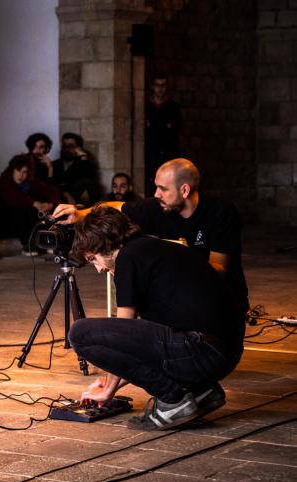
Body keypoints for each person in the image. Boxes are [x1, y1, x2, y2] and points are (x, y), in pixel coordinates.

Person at [67, 206, 243, 430]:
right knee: (144, 332)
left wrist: (108, 391)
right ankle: (200, 391)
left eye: (94, 259)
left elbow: (124, 331)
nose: (99, 269)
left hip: (203, 350)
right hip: (222, 353)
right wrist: (112, 381)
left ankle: (173, 399)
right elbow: (142, 346)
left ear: (106, 245)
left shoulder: (128, 258)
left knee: (81, 333)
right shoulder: (154, 247)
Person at [53, 158, 248, 316]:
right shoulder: (157, 208)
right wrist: (80, 214)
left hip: (219, 299)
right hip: (178, 296)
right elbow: (114, 207)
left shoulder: (220, 212)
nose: (156, 194)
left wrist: (161, 265)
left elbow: (218, 269)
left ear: (185, 190)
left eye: (163, 189)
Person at [0, 153, 60, 256]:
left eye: (24, 172)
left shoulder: (29, 182)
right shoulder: (4, 182)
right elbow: (14, 198)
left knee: (48, 212)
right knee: (22, 210)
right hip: (5, 221)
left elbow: (52, 192)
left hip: (26, 220)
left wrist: (50, 204)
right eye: (18, 171)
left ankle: (50, 242)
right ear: (12, 170)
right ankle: (27, 245)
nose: (21, 175)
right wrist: (35, 203)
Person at [145, 74, 182, 192]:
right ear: (152, 86)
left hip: (168, 151)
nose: (160, 89)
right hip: (149, 151)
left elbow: (176, 130)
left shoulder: (173, 107)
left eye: (163, 85)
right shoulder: (145, 106)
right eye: (157, 85)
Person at [52, 132, 101, 205]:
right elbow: (54, 184)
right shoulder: (55, 164)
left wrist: (83, 157)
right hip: (61, 196)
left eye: (70, 146)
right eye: (64, 146)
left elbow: (90, 179)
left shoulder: (81, 163)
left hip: (79, 197)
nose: (67, 149)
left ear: (78, 148)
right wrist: (65, 193)